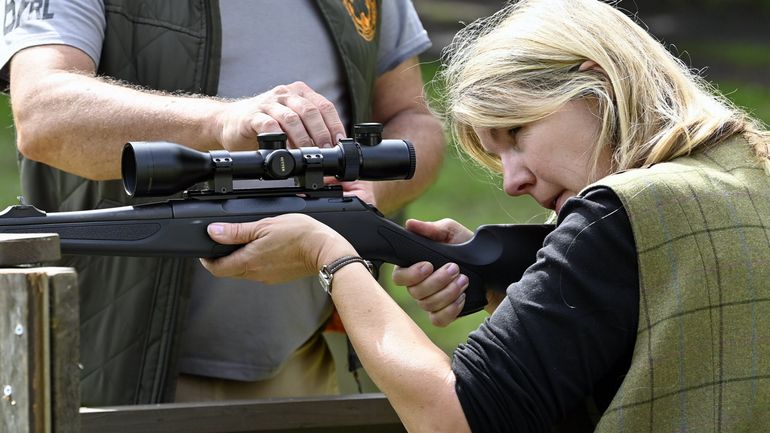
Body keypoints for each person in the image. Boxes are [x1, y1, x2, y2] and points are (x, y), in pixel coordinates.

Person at [197, 0, 770, 431]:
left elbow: (454, 419)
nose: (515, 180)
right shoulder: (747, 171)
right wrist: (525, 285)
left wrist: (330, 255)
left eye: (517, 134)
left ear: (598, 83)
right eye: (499, 157)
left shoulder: (618, 215)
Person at [0, 0, 444, 405]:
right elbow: (43, 113)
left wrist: (367, 195)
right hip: (116, 373)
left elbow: (412, 117)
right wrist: (223, 121)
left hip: (311, 362)